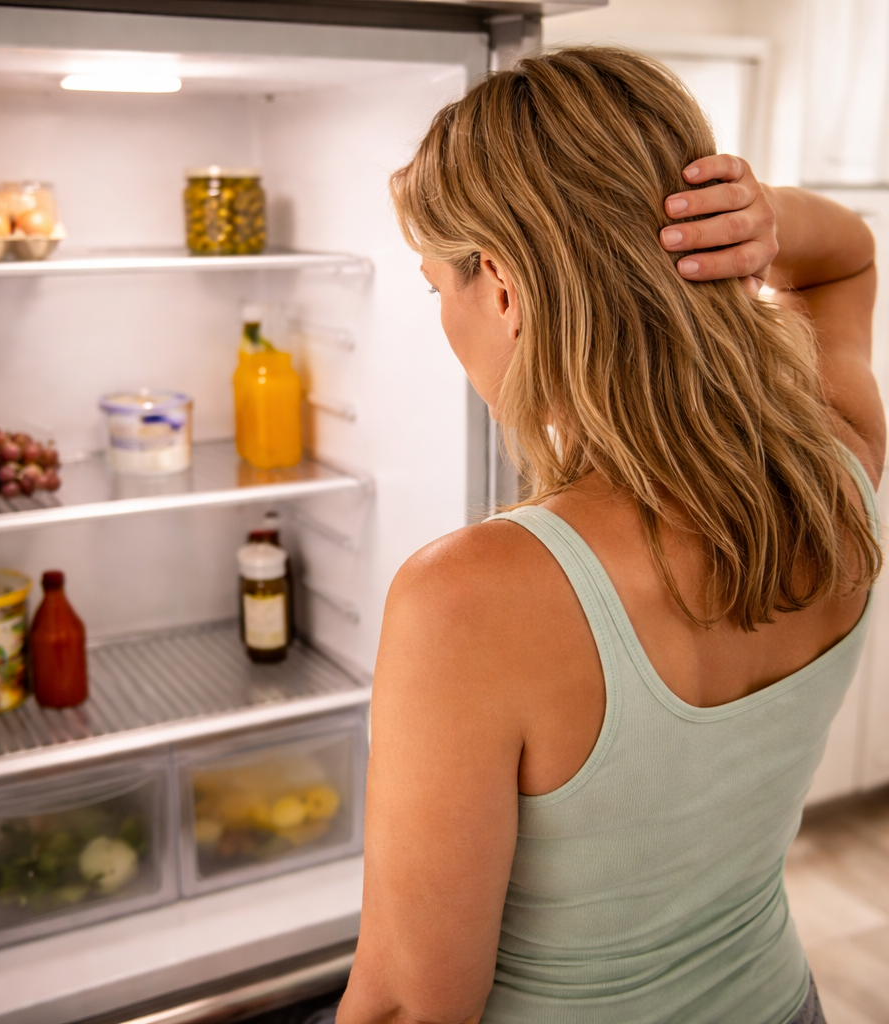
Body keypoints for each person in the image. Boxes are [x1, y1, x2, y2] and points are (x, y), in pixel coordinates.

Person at [337, 47, 884, 1024]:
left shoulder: (468, 597)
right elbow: (845, 256)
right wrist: (765, 219)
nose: (443, 317)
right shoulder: (839, 468)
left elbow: (407, 1009)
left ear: (501, 286)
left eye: (437, 287)